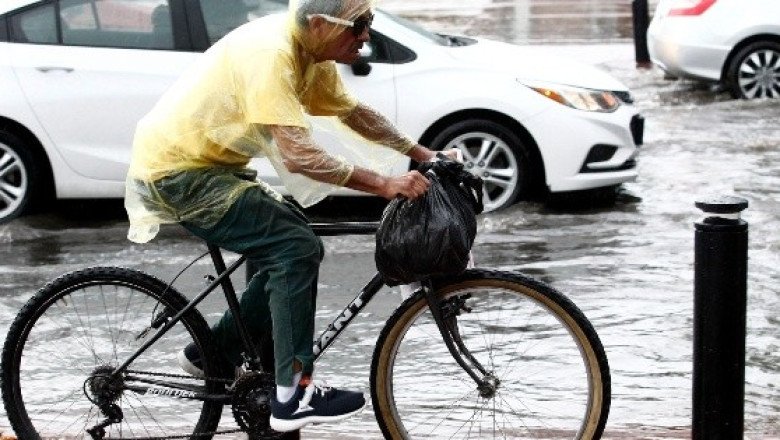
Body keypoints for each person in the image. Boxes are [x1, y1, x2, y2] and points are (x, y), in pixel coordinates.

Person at [124, 0, 453, 432]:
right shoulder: (272, 55)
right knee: (296, 249)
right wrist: (384, 184)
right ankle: (292, 395)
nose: (367, 35)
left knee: (288, 231)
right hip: (181, 174)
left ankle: (215, 352)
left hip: (215, 168)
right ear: (319, 23)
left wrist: (424, 154)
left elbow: (354, 113)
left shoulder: (309, 50)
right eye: (359, 24)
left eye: (369, 23)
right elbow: (298, 156)